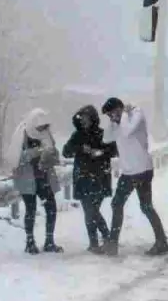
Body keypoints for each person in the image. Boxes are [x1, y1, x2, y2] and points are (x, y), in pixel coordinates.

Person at [101, 97, 168, 256]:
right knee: (141, 206)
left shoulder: (135, 114)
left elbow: (127, 131)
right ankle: (161, 241)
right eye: (109, 116)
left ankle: (113, 244)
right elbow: (106, 138)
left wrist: (124, 114)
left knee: (125, 204)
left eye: (113, 113)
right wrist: (114, 121)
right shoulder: (119, 123)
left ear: (120, 108)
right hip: (129, 172)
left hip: (141, 170)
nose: (112, 117)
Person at [62, 105, 118, 253]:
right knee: (90, 211)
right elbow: (66, 152)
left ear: (93, 119)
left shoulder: (102, 134)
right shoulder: (77, 136)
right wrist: (80, 149)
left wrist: (98, 152)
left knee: (92, 211)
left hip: (100, 177)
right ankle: (97, 241)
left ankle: (105, 238)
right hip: (82, 178)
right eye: (82, 119)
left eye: (86, 118)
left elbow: (114, 150)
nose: (84, 122)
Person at [9, 108, 62, 254]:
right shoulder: (22, 134)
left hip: (44, 176)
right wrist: (37, 151)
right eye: (40, 127)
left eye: (44, 127)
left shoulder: (46, 134)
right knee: (30, 209)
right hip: (27, 177)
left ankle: (49, 241)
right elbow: (16, 157)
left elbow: (53, 150)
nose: (42, 129)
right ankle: (30, 241)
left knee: (51, 207)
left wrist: (52, 154)